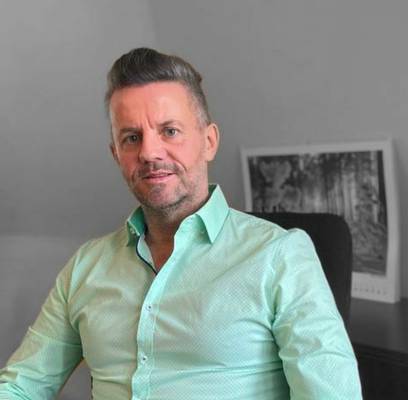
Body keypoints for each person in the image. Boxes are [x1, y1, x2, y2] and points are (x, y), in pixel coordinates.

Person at [0, 47, 362, 399]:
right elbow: (19, 386)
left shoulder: (280, 255)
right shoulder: (85, 267)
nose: (149, 152)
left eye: (169, 131)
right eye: (131, 138)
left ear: (209, 141)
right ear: (116, 154)